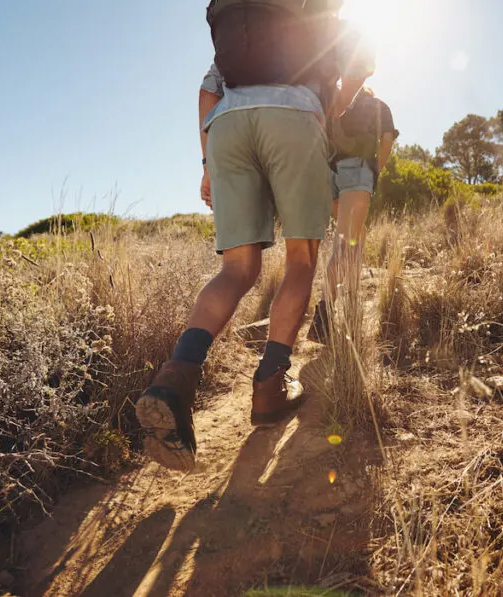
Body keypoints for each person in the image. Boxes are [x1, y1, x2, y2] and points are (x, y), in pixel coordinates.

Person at [134, 0, 374, 472]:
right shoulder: (326, 20)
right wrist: (328, 109)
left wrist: (207, 166)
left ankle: (175, 378)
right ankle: (268, 389)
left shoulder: (239, 24)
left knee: (238, 268)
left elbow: (206, 94)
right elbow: (357, 71)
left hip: (227, 128)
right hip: (294, 120)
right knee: (301, 260)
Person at [308, 87, 398, 344]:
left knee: (356, 233)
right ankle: (323, 314)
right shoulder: (378, 105)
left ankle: (352, 296)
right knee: (345, 239)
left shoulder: (334, 103)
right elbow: (388, 139)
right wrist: (375, 170)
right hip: (358, 170)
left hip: (330, 176)